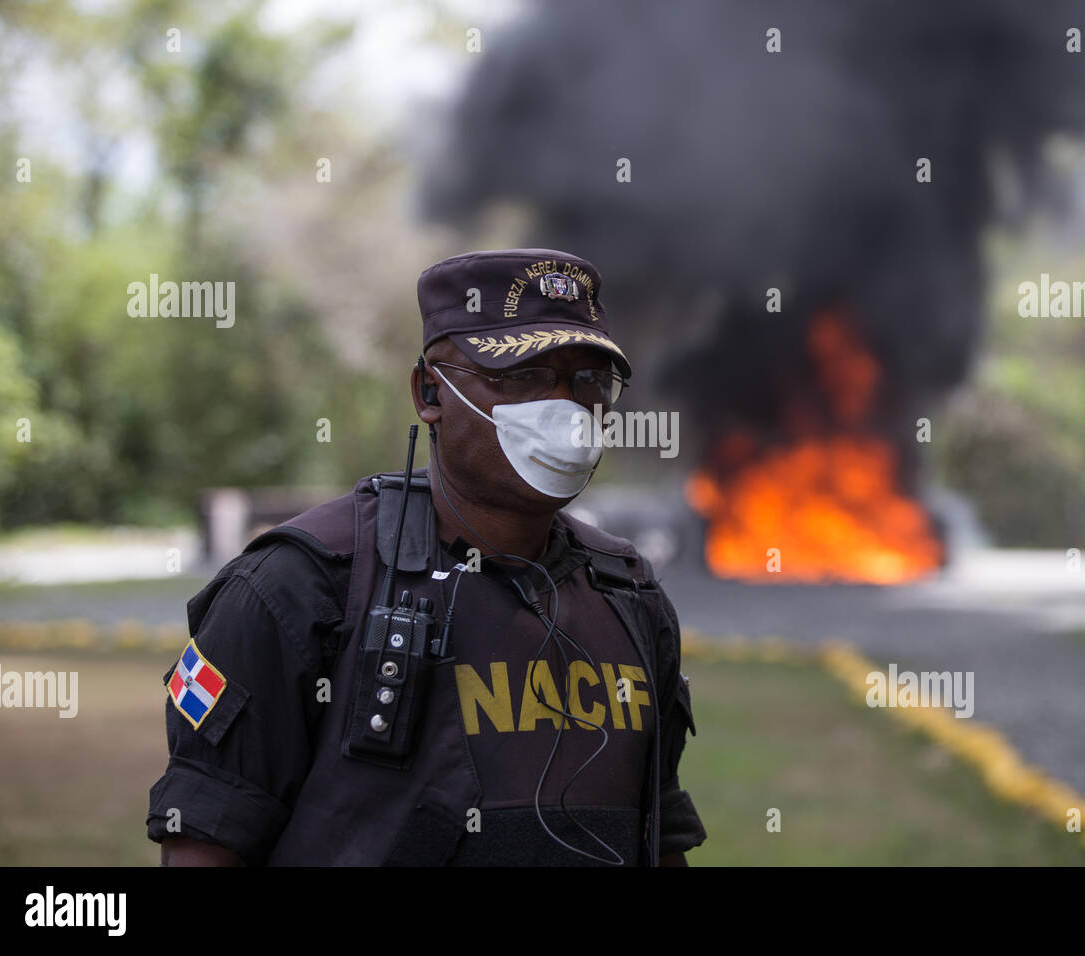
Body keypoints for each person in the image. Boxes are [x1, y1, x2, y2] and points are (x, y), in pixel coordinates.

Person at [148, 248, 706, 866]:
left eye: (588, 381)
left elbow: (660, 839)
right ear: (430, 391)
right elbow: (204, 846)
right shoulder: (297, 590)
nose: (566, 409)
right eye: (520, 376)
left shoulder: (628, 596)